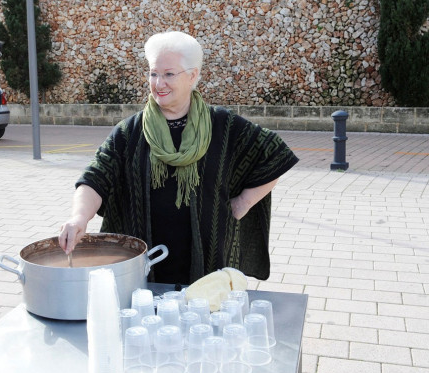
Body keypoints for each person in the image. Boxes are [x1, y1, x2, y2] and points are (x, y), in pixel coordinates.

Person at [59, 31, 298, 285]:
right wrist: (79, 217)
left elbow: (275, 154)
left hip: (208, 265)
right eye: (153, 73)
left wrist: (244, 203)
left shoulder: (223, 126)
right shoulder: (130, 132)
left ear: (193, 75)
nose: (159, 83)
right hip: (142, 267)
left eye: (169, 74)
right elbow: (95, 178)